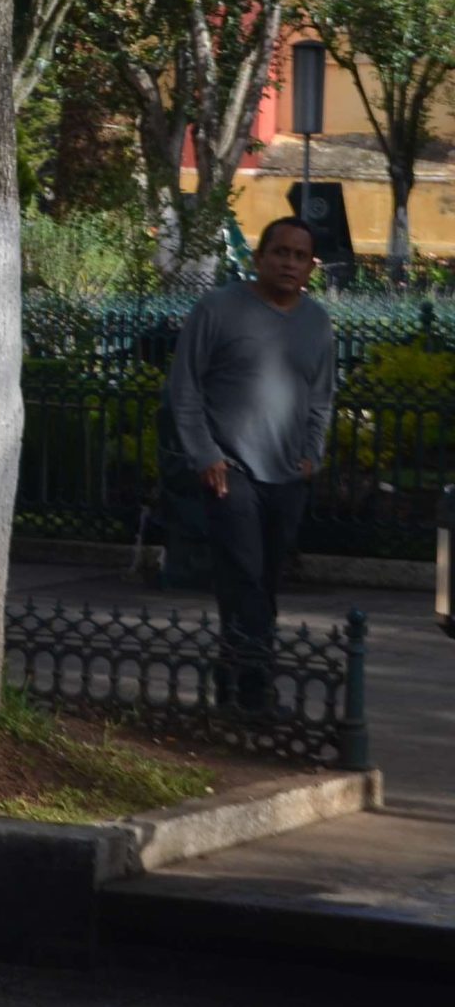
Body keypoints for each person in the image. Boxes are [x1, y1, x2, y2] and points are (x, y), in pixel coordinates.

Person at [164, 216, 336, 711]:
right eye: (280, 252)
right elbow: (185, 386)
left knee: (265, 580)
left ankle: (233, 678)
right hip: (230, 470)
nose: (289, 263)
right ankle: (256, 688)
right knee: (243, 572)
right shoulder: (218, 309)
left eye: (300, 256)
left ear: (310, 267)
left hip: (288, 474)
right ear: (259, 258)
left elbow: (321, 397)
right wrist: (205, 454)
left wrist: (312, 453)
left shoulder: (316, 321)